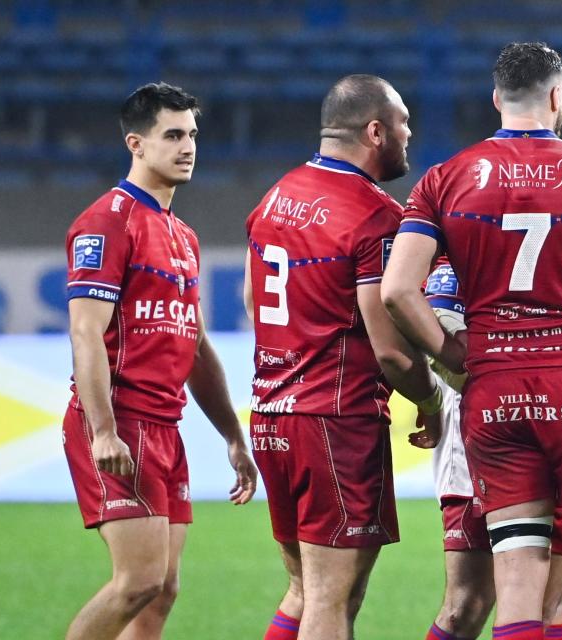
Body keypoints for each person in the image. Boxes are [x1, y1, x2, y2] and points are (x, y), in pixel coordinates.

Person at [381, 42, 562, 640]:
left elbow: (398, 292)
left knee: (518, 582)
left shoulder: (445, 178)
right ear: (559, 97)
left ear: (495, 98)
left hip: (494, 391)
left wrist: (453, 352)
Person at [244, 75, 443, 640]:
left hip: (272, 415)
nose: (410, 133)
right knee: (334, 598)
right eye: (403, 122)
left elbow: (253, 300)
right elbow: (391, 349)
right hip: (334, 421)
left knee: (308, 589)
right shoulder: (374, 216)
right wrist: (428, 401)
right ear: (375, 131)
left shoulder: (277, 196)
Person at [61, 82, 257, 640]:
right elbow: (85, 332)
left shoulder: (183, 236)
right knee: (137, 581)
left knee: (162, 591)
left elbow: (193, 344)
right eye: (172, 135)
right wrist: (103, 431)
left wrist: (232, 436)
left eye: (192, 134)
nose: (187, 146)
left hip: (165, 427)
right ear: (136, 144)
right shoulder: (108, 221)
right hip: (121, 422)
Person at [423, 260, 562, 640]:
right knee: (466, 606)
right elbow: (422, 315)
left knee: (549, 605)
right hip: (482, 438)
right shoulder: (463, 249)